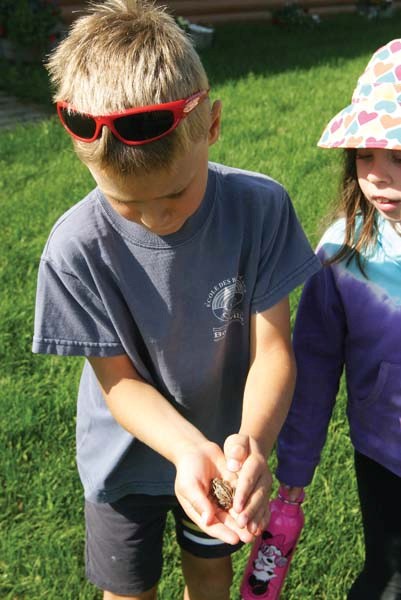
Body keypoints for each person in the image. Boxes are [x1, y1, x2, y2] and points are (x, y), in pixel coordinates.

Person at [32, 1, 321, 598]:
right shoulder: (74, 246)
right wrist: (190, 447)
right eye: (126, 205)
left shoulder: (260, 209)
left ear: (213, 125)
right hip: (125, 467)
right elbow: (118, 382)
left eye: (175, 194)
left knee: (209, 572)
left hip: (226, 457)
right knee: (127, 588)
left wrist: (251, 443)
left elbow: (273, 352)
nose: (155, 218)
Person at [276, 39, 401, 600]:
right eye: (365, 155)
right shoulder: (342, 256)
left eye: (399, 156)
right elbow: (315, 367)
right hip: (386, 456)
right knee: (389, 579)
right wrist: (295, 477)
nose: (378, 176)